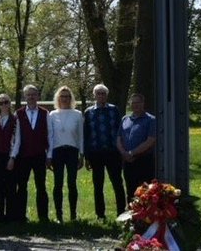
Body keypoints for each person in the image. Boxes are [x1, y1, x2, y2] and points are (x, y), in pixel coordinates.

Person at [83, 83, 125, 220]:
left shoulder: (114, 110)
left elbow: (121, 131)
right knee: (98, 185)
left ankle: (121, 213)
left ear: (107, 95)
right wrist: (86, 156)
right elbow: (86, 135)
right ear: (94, 95)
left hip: (113, 152)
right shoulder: (88, 112)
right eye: (98, 93)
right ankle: (100, 215)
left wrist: (122, 150)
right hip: (96, 153)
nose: (101, 96)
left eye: (103, 93)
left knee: (117, 183)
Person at [10, 84, 50, 222]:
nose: (31, 97)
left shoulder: (45, 113)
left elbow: (49, 135)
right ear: (25, 97)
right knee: (21, 186)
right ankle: (20, 216)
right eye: (29, 95)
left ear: (38, 96)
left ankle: (43, 217)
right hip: (23, 155)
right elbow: (16, 137)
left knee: (41, 186)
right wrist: (13, 156)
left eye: (34, 94)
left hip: (39, 154)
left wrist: (49, 155)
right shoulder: (18, 114)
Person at [48, 86, 85, 222]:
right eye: (62, 96)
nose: (64, 99)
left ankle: (73, 215)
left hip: (72, 151)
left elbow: (81, 136)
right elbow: (50, 136)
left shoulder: (77, 114)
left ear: (71, 98)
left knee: (71, 183)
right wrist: (49, 156)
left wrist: (81, 155)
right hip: (57, 151)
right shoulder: (52, 115)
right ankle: (59, 215)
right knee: (58, 184)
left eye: (67, 96)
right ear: (58, 98)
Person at [118, 93, 157, 203]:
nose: (135, 105)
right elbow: (118, 138)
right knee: (130, 190)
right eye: (133, 103)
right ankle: (131, 215)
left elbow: (150, 140)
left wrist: (132, 153)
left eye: (138, 103)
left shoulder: (151, 120)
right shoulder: (125, 119)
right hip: (128, 161)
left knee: (146, 191)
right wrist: (124, 153)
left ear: (143, 103)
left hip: (144, 161)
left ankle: (146, 217)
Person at [0, 94, 17, 223]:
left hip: (9, 156)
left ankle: (11, 216)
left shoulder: (15, 119)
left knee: (10, 187)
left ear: (10, 103)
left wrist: (12, 158)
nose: (4, 105)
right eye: (1, 103)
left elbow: (17, 140)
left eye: (6, 102)